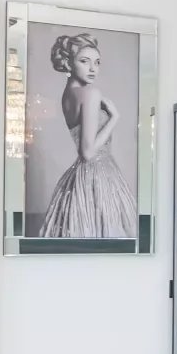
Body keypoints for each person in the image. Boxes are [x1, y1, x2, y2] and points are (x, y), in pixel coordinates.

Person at [42, 32, 138, 239]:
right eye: (84, 61)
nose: (93, 68)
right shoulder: (90, 93)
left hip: (81, 178)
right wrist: (114, 118)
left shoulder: (67, 95)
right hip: (99, 174)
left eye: (97, 62)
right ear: (68, 63)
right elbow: (87, 152)